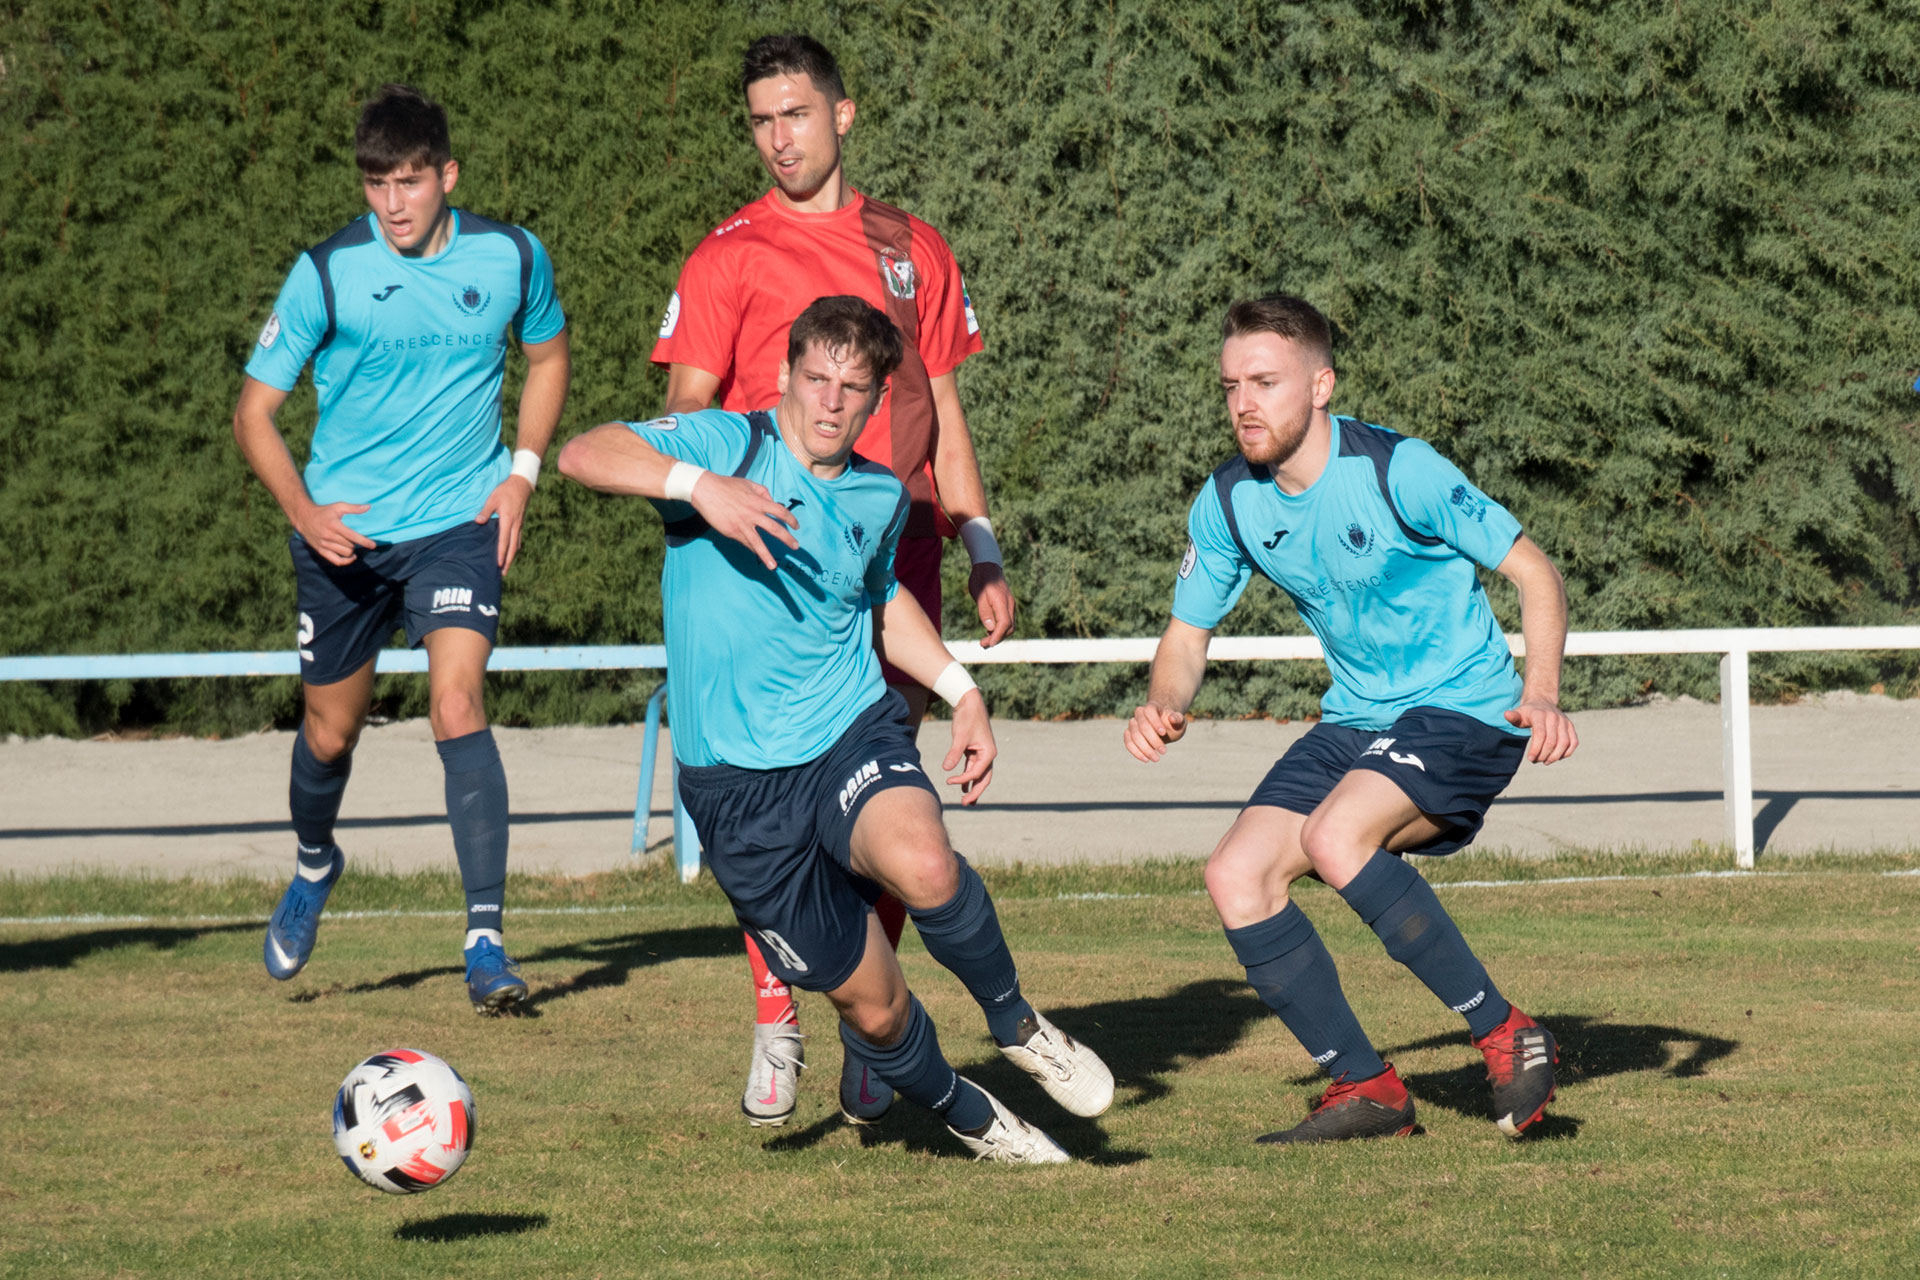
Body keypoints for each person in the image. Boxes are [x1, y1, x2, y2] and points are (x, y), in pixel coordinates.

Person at [560, 295, 1110, 1160]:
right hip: (738, 789)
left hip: (847, 732)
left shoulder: (881, 494)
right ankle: (971, 1115)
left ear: (875, 397)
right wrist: (698, 489)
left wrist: (962, 690)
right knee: (877, 1007)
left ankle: (1017, 1025)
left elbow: (880, 599)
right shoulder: (725, 445)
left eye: (852, 388)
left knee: (927, 862)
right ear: (785, 373)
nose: (828, 402)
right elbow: (582, 453)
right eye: (815, 378)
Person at [651, 33, 1014, 1127]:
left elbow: (944, 415)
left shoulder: (913, 249)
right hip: (770, 557)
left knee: (879, 787)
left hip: (895, 541)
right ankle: (777, 1004)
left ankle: (871, 1023)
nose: (779, 137)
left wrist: (978, 537)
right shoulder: (727, 256)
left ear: (843, 116)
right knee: (778, 790)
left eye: (796, 114)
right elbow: (683, 420)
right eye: (761, 119)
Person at [1124, 295, 1579, 1142]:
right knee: (1236, 877)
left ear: (1322, 384)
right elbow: (1187, 635)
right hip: (1357, 721)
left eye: (1265, 382)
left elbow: (1535, 572)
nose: (1243, 404)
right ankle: (1366, 1087)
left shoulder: (1398, 470)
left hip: (1466, 709)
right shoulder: (1228, 502)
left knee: (1338, 839)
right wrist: (1165, 702)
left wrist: (1543, 692)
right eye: (1230, 386)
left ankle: (1505, 1032)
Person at [232, 84, 570, 1013]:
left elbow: (548, 355)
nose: (392, 204)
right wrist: (303, 512)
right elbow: (254, 414)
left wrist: (521, 474)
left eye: (410, 182)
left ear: (446, 176)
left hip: (458, 527)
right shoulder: (327, 272)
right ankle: (313, 862)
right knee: (329, 732)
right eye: (377, 183)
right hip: (345, 542)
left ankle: (487, 943)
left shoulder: (509, 256)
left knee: (457, 703)